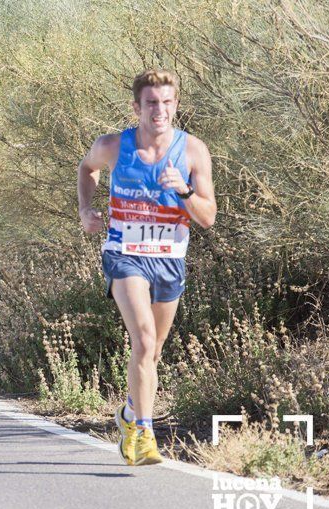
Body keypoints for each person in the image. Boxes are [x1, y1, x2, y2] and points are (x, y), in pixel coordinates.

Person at [77, 69, 217, 466]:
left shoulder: (192, 151)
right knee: (142, 338)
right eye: (152, 103)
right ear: (137, 107)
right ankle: (144, 435)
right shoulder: (113, 146)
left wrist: (184, 190)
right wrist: (86, 209)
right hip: (125, 254)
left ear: (176, 105)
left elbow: (207, 217)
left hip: (170, 259)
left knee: (152, 352)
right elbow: (87, 169)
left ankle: (127, 414)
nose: (160, 110)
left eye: (167, 102)